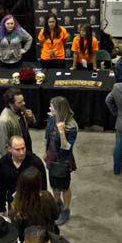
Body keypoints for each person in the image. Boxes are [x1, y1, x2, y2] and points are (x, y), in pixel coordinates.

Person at [44, 96, 78, 226]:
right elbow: (47, 137)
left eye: (51, 106)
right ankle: (57, 204)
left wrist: (62, 131)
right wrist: (45, 151)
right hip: (51, 157)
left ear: (58, 109)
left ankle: (65, 209)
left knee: (64, 186)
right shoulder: (52, 118)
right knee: (53, 184)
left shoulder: (71, 126)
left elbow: (66, 147)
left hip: (63, 160)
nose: (49, 108)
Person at [0, 136, 47, 216]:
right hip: (13, 203)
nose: (22, 152)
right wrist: (2, 207)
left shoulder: (35, 162)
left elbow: (43, 186)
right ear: (9, 149)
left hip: (32, 203)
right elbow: (1, 185)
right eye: (17, 149)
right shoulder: (3, 162)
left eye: (23, 148)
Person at [10, 167, 59, 239]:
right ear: (39, 183)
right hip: (48, 236)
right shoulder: (47, 197)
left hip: (29, 242)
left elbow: (17, 231)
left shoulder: (16, 207)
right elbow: (56, 216)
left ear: (20, 184)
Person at [0, 87, 36, 156]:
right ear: (10, 104)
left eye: (23, 100)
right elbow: (3, 147)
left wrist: (30, 117)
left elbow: (31, 123)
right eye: (20, 102)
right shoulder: (4, 122)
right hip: (17, 157)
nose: (24, 103)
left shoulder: (21, 109)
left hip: (26, 150)